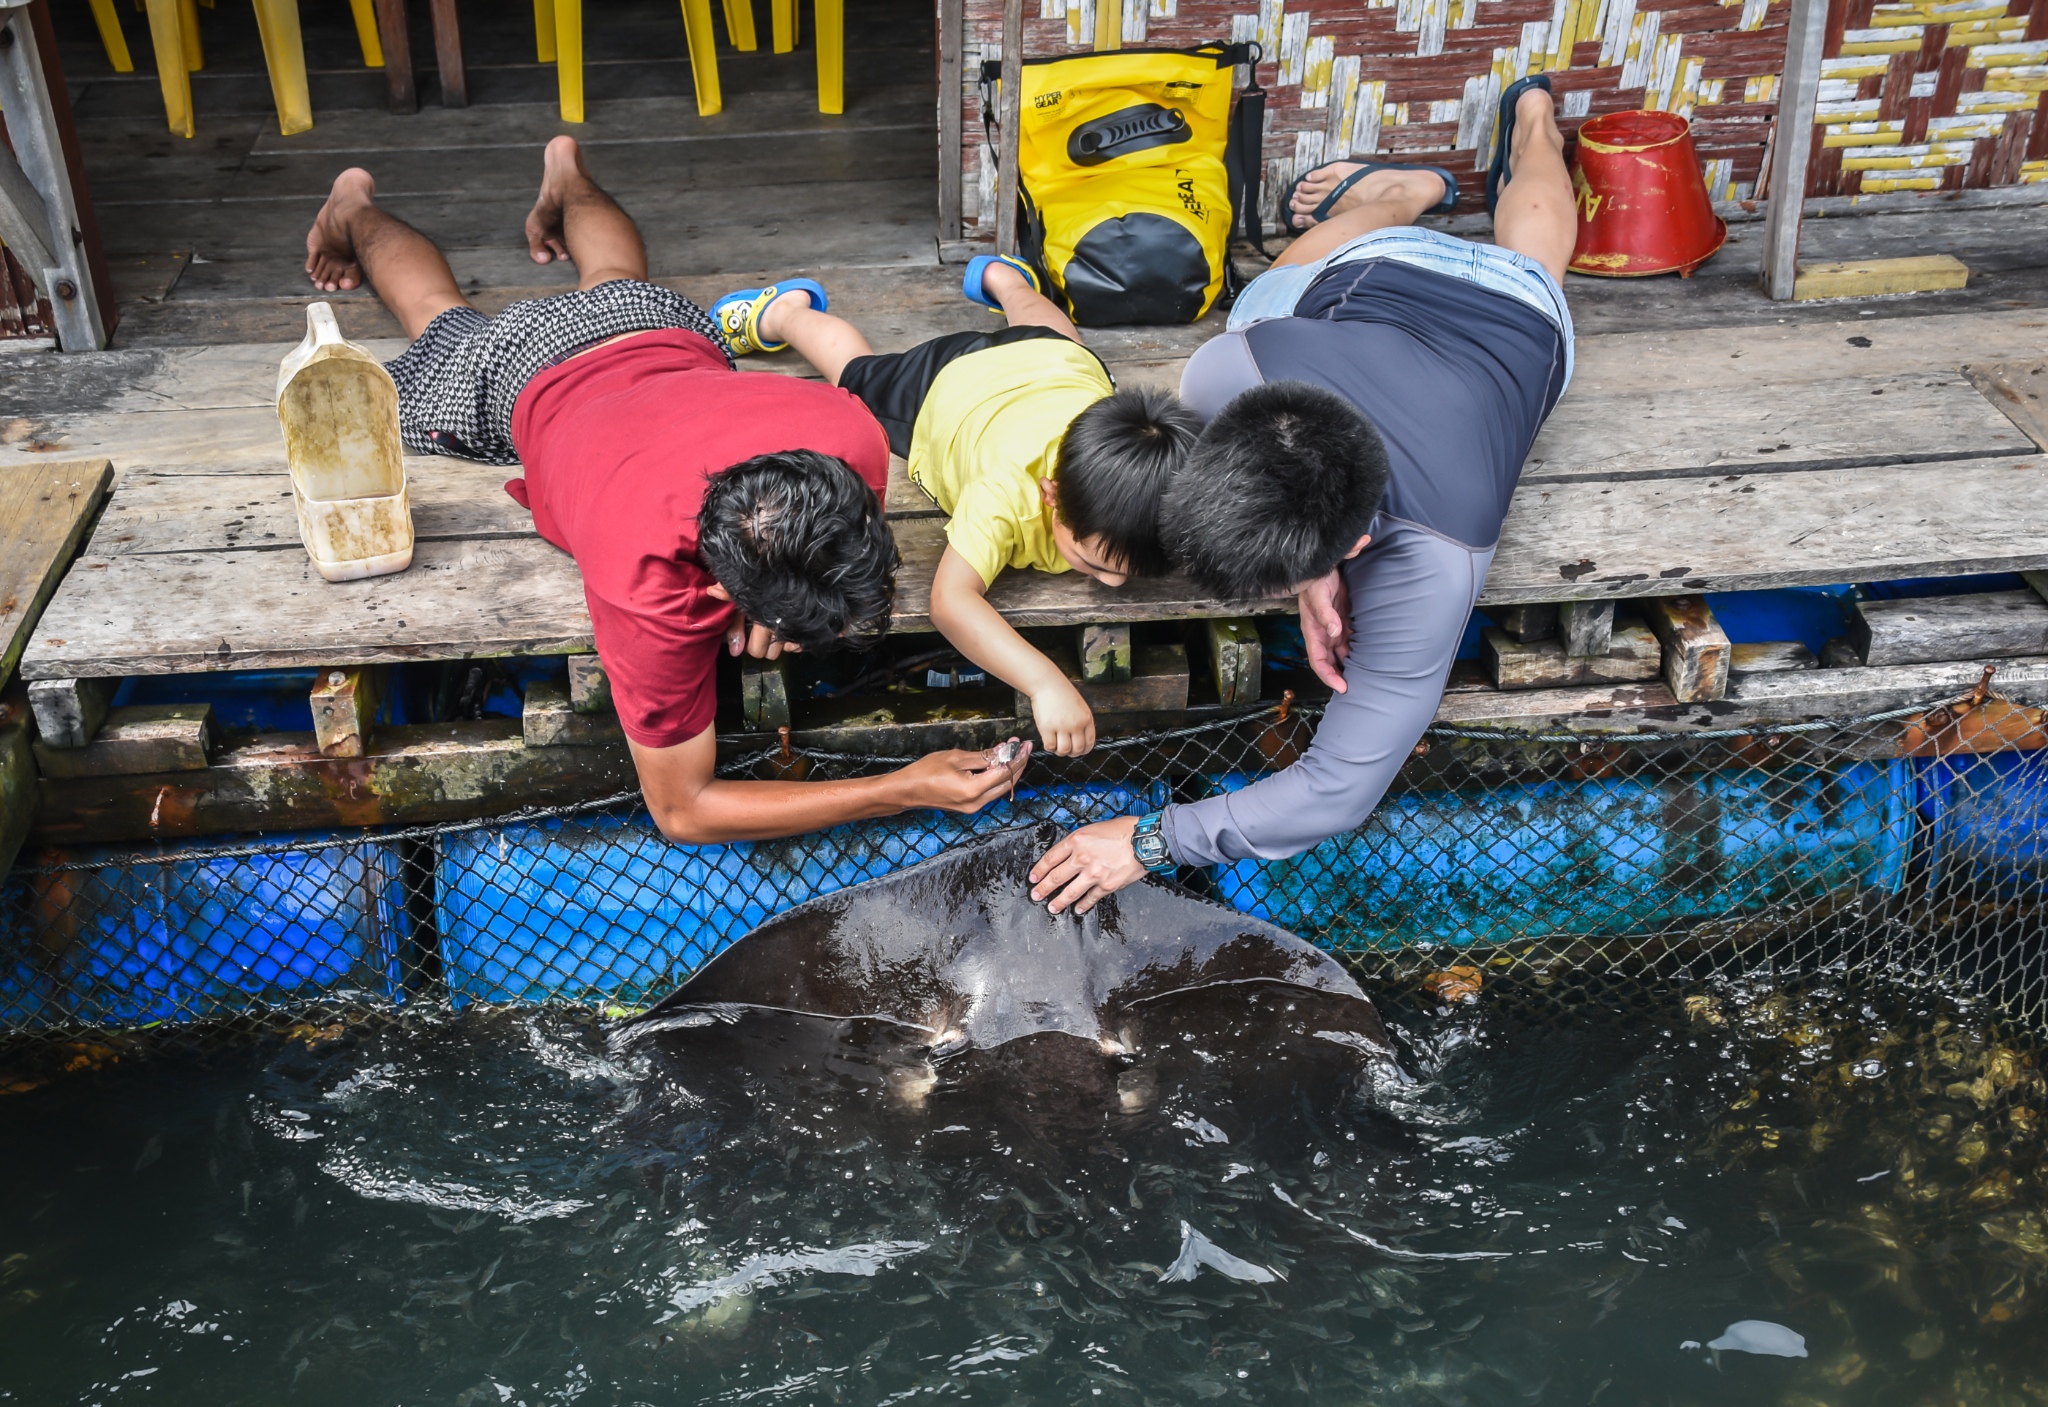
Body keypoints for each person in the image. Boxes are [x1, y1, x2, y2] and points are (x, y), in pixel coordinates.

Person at [302, 136, 1029, 843]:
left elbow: (797, 542)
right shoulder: (645, 579)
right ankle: (358, 206)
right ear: (716, 595)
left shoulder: (850, 439)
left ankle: (543, 177)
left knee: (594, 283)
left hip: (663, 340)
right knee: (441, 314)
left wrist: (771, 598)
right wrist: (902, 786)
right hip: (552, 363)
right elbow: (684, 811)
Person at [1029, 76, 1576, 912]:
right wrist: (1313, 575)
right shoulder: (1224, 375)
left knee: (1535, 262)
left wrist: (1149, 838)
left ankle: (1481, 153)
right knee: (1257, 305)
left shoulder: (1437, 559)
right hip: (1382, 274)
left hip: (1508, 307)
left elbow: (1336, 792)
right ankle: (1463, 160)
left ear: (1358, 544)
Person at [711, 255, 1200, 757]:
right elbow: (949, 602)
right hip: (945, 386)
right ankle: (786, 313)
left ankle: (1007, 280)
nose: (1114, 582)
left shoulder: (1173, 490)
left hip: (1054, 361)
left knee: (1058, 338)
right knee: (853, 374)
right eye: (1094, 562)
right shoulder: (1004, 492)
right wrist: (1044, 682)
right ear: (1048, 494)